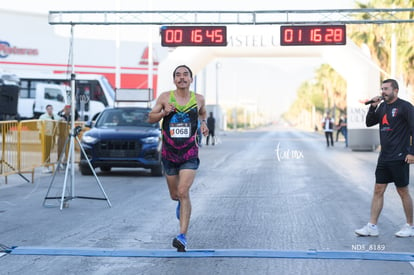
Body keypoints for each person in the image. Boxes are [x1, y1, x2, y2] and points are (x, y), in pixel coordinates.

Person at [148, 65, 209, 252]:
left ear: (191, 79)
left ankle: (182, 236)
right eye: (178, 75)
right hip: (169, 153)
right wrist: (163, 113)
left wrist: (204, 123)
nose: (181, 78)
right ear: (174, 80)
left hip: (189, 153)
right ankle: (182, 204)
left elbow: (202, 112)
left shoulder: (198, 99)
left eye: (185, 75)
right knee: (175, 195)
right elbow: (151, 117)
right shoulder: (166, 97)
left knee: (183, 191)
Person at [355, 79, 414, 237]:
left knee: (402, 191)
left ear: (396, 90)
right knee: (378, 189)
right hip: (384, 157)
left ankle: (410, 226)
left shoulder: (405, 107)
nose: (383, 92)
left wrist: (412, 152)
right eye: (382, 89)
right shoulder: (382, 107)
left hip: (400, 156)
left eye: (386, 89)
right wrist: (373, 108)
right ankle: (372, 226)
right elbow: (369, 123)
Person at [38, 104, 58, 173]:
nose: (50, 110)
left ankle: (47, 165)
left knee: (49, 150)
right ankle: (45, 166)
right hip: (45, 135)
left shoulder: (54, 116)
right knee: (46, 151)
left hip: (51, 136)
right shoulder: (43, 117)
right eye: (49, 109)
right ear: (46, 110)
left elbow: (59, 119)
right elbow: (38, 125)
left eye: (51, 109)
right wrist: (43, 131)